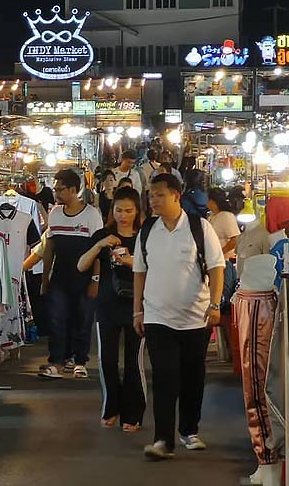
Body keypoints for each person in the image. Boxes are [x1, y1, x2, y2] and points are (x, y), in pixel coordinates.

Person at [133, 174, 226, 460]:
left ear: (176, 195)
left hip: (195, 318)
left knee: (192, 377)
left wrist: (214, 305)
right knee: (164, 377)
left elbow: (216, 267)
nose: (153, 200)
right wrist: (138, 309)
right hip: (158, 316)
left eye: (159, 194)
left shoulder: (200, 228)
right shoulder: (148, 230)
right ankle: (163, 439)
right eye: (151, 195)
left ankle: (189, 429)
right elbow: (139, 271)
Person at [78, 187, 146, 431]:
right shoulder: (103, 235)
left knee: (133, 362)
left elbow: (156, 268)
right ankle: (111, 408)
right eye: (119, 210)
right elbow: (81, 265)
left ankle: (133, 413)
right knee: (107, 360)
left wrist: (131, 261)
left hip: (137, 306)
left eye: (129, 210)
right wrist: (99, 246)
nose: (123, 215)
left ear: (137, 211)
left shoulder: (144, 237)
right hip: (107, 306)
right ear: (112, 210)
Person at [39, 169, 103, 379]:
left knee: (82, 319)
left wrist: (95, 279)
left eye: (60, 189)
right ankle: (56, 361)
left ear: (74, 190)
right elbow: (49, 248)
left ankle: (79, 360)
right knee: (57, 319)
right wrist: (45, 279)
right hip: (59, 277)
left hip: (84, 279)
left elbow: (99, 251)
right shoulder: (56, 213)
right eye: (55, 189)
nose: (56, 193)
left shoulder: (92, 215)